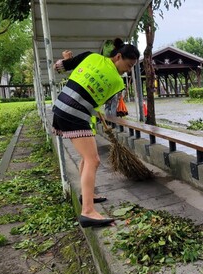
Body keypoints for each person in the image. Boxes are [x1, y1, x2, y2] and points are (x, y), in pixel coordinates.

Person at [52, 38, 140, 228]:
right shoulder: (118, 82)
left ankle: (87, 196)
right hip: (74, 113)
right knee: (93, 160)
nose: (128, 70)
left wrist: (67, 60)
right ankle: (88, 212)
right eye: (128, 65)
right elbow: (99, 102)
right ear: (118, 56)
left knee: (86, 158)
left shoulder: (89, 57)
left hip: (62, 107)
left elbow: (58, 68)